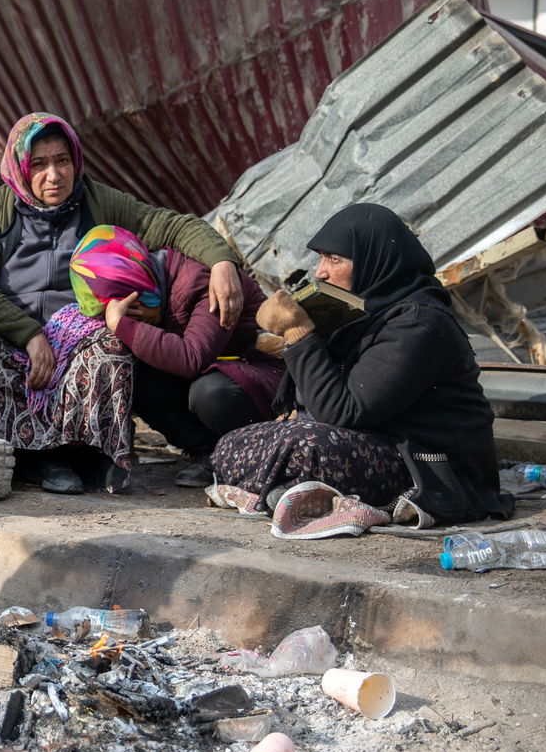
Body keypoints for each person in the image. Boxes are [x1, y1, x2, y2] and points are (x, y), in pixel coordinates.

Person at [0, 112, 246, 493]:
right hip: (7, 337)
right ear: (21, 168)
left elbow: (172, 225)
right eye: (38, 164)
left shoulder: (98, 201)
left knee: (112, 340)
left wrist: (222, 262)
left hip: (75, 340)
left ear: (75, 160)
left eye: (62, 161)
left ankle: (68, 453)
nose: (53, 175)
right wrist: (30, 335)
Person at [212, 203, 514, 525]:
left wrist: (299, 334)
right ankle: (290, 489)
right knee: (230, 444)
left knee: (303, 445)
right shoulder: (358, 315)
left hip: (427, 466)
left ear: (374, 260)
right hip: (368, 442)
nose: (320, 272)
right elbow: (308, 405)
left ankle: (287, 488)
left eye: (334, 259)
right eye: (321, 258)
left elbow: (342, 412)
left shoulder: (419, 323)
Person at [69, 225, 284, 488]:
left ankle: (255, 452)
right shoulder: (158, 286)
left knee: (211, 392)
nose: (134, 318)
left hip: (262, 376)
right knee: (138, 374)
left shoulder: (205, 283)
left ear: (142, 292)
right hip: (213, 371)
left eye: (133, 311)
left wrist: (122, 325)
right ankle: (209, 451)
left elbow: (192, 358)